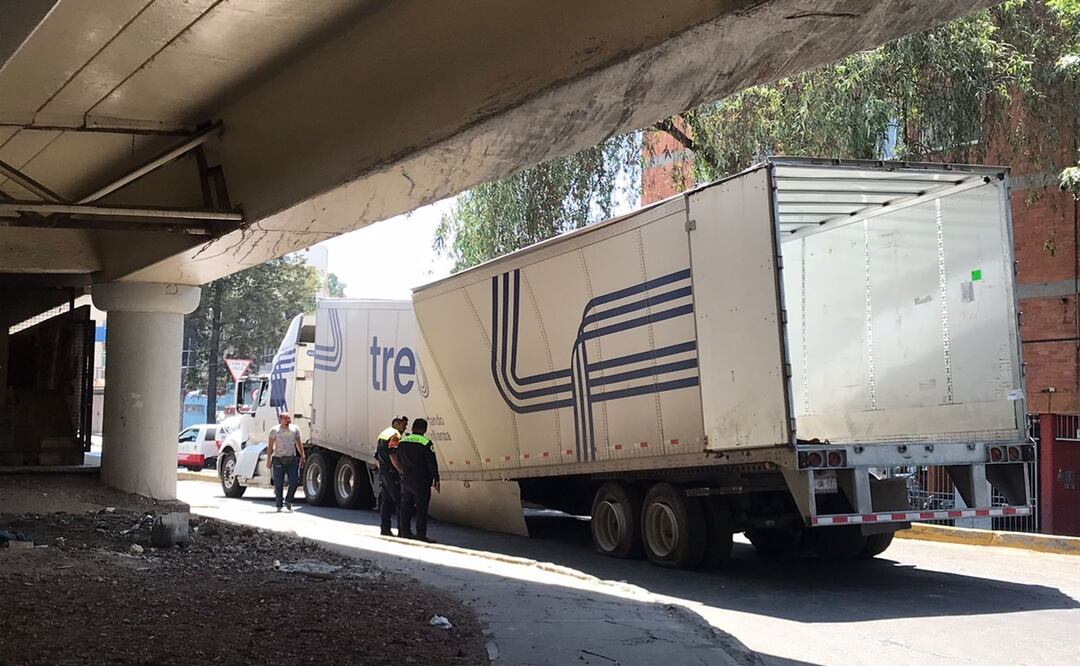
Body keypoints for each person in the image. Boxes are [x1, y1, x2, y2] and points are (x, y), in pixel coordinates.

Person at [392, 418, 440, 542]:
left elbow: (398, 458)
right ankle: (420, 534)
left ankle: (404, 532)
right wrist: (436, 479)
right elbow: (432, 463)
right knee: (421, 508)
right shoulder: (426, 443)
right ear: (424, 430)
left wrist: (402, 471)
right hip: (421, 481)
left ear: (412, 428)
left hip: (406, 478)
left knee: (406, 506)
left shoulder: (403, 441)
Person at [375, 416, 407, 536]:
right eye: (403, 425)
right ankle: (402, 530)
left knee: (386, 501)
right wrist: (400, 470)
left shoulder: (383, 434)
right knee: (400, 500)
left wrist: (382, 471)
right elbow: (393, 455)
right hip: (392, 472)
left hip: (384, 471)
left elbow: (376, 457)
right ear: (396, 423)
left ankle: (385, 529)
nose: (405, 428)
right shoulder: (395, 435)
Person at [266, 412, 305, 512]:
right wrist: (269, 459)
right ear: (280, 419)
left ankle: (289, 500)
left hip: (291, 459)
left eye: (289, 419)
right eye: (286, 419)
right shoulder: (274, 431)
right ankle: (279, 504)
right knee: (278, 484)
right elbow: (270, 446)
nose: (288, 421)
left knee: (294, 482)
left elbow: (299, 444)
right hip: (278, 459)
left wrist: (302, 456)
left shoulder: (294, 429)